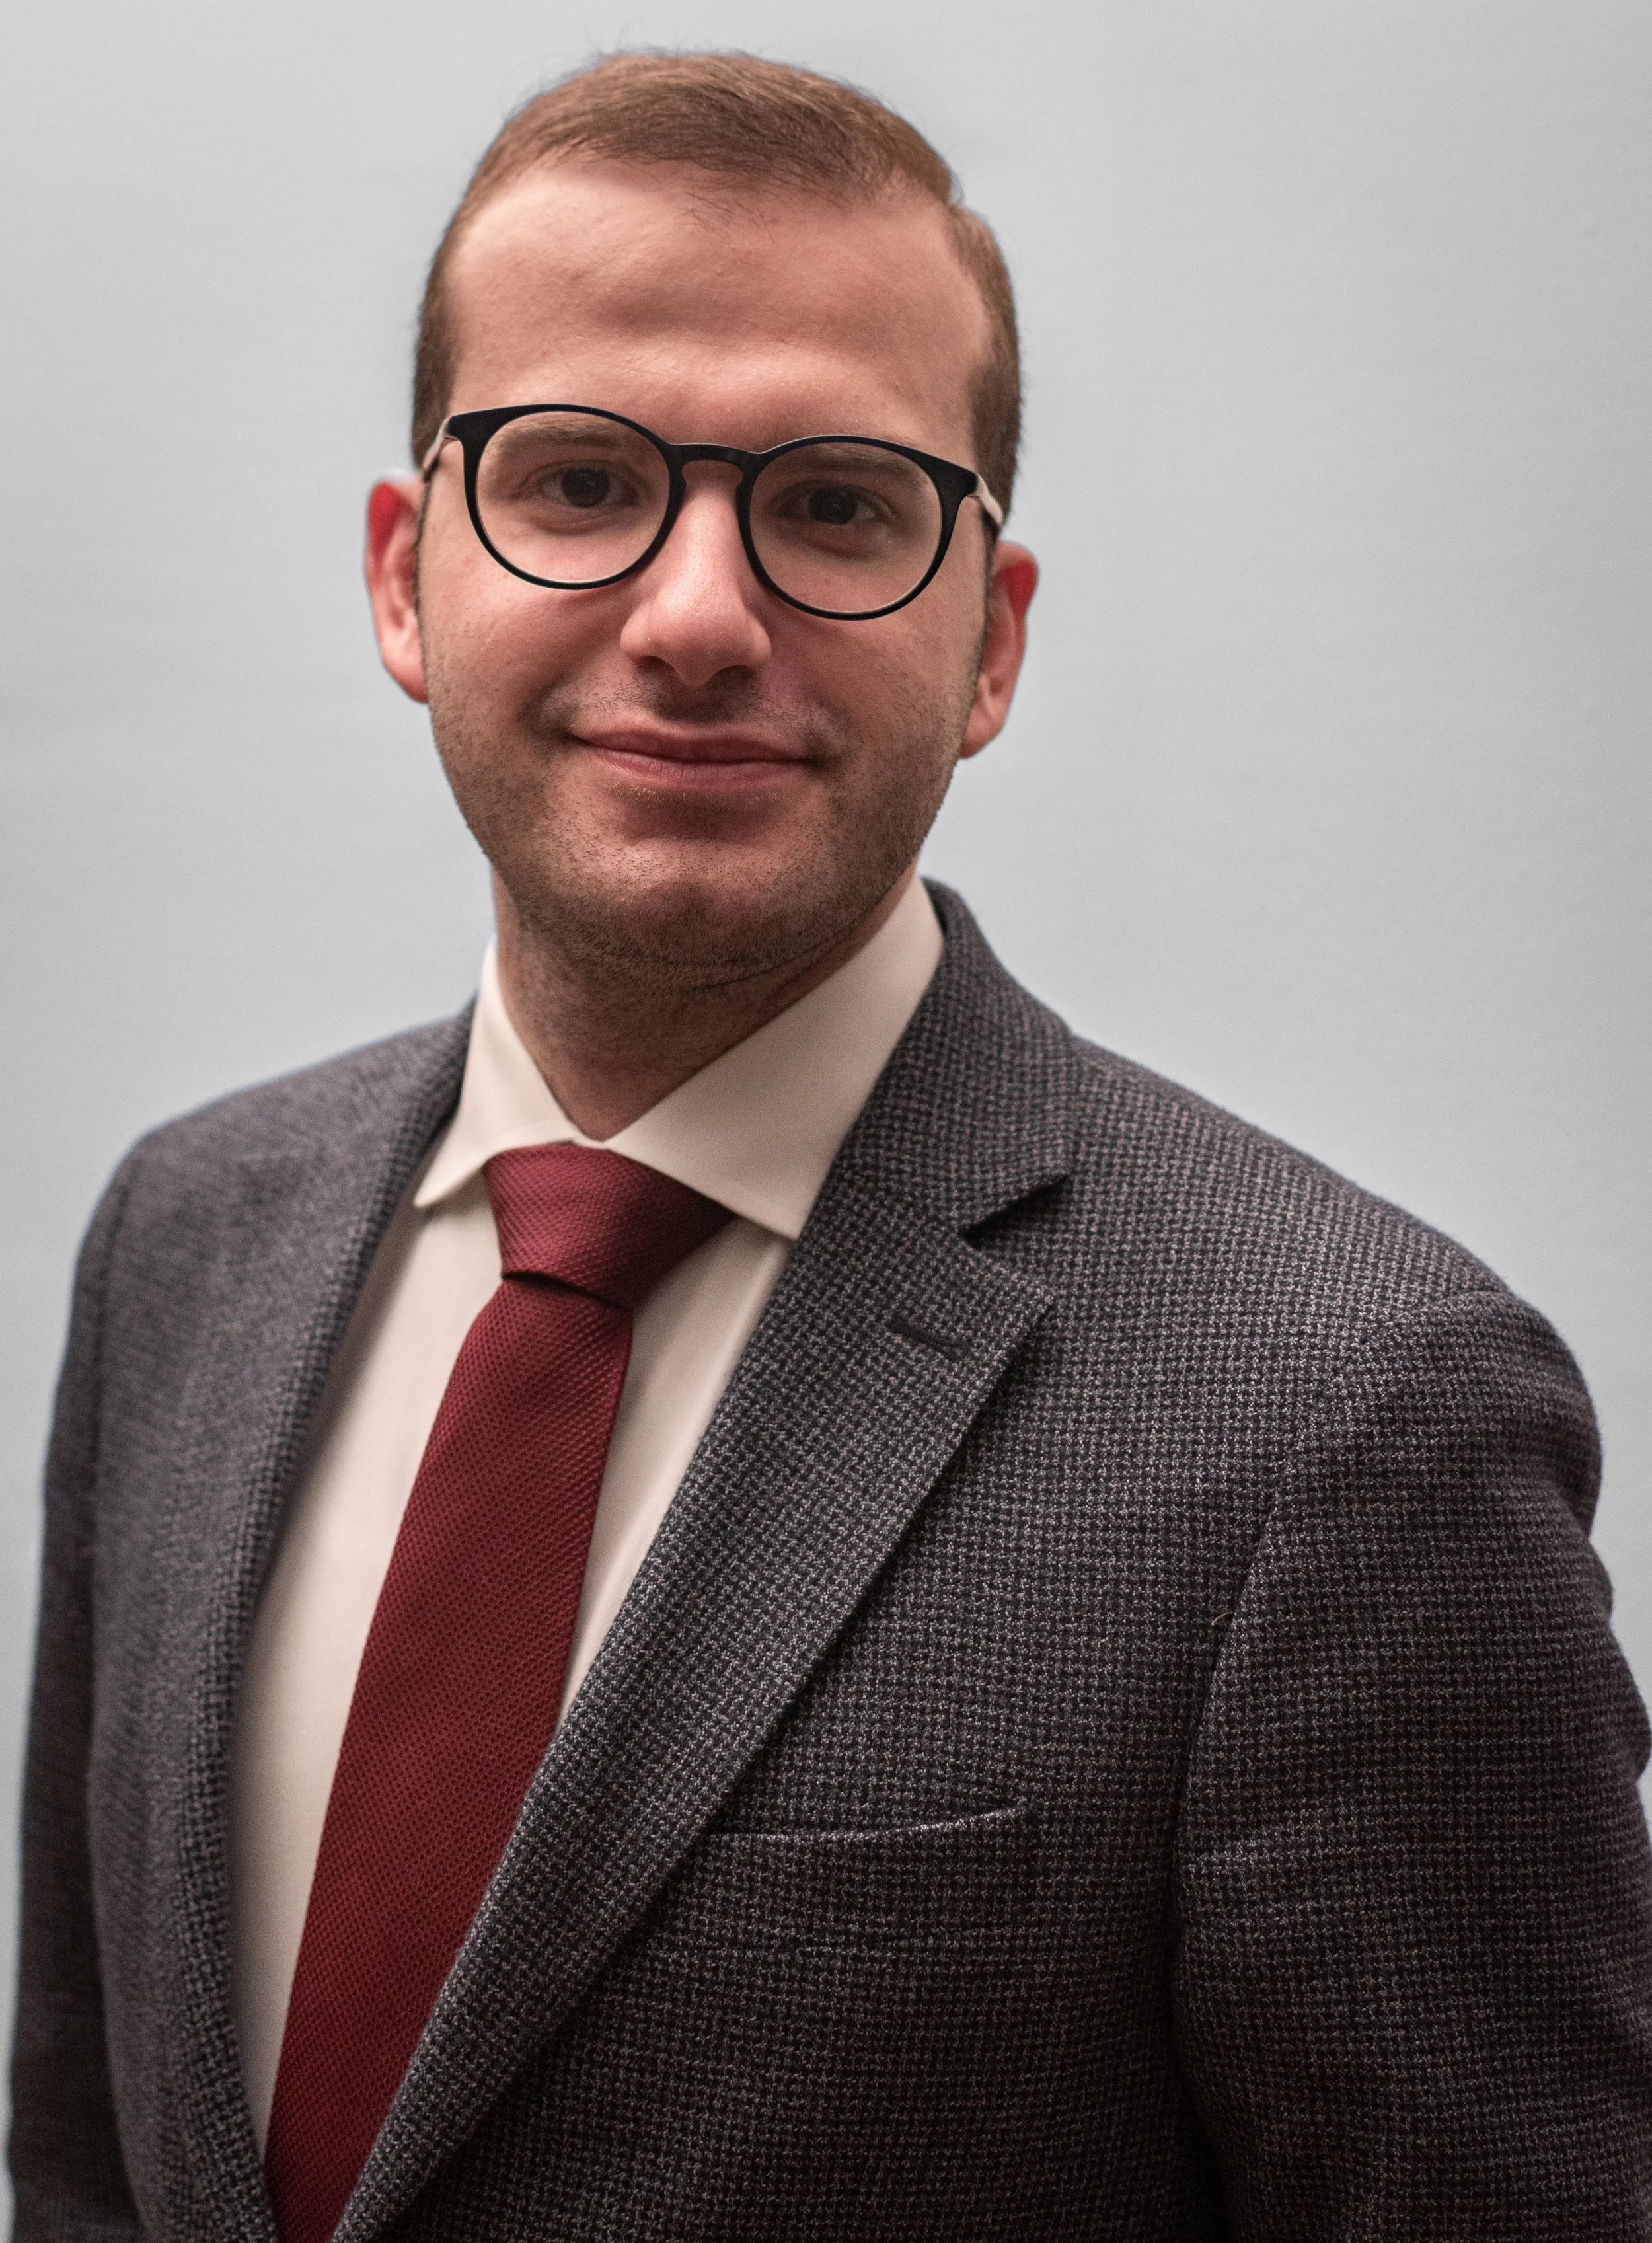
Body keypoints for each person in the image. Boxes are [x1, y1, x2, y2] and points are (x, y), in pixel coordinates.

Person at [11, 48, 1651, 2243]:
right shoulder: (189, 1240)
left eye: (841, 506)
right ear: (408, 579)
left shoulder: (1354, 1412)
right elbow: (98, 2161)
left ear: (991, 639)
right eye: (578, 480)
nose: (695, 615)